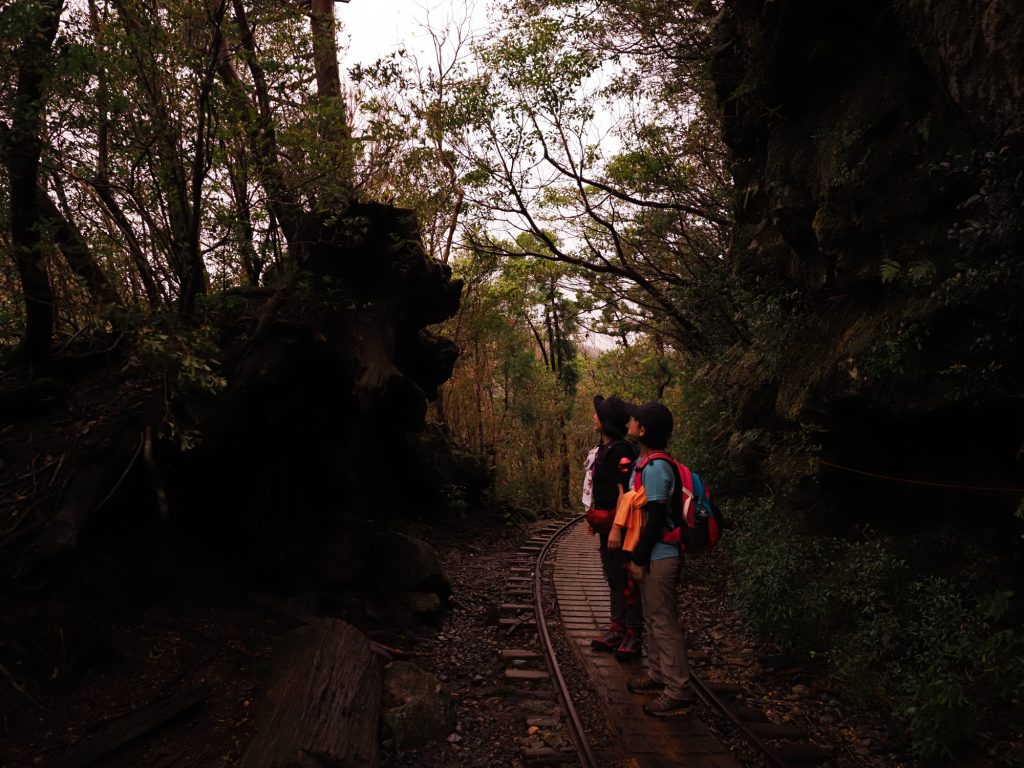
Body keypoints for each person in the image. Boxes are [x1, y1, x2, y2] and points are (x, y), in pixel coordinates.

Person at [622, 401, 692, 717]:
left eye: (634, 419)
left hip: (660, 556)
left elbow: (654, 519)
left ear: (644, 429)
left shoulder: (656, 468)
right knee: (652, 618)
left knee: (663, 622)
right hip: (654, 555)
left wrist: (637, 558)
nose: (630, 421)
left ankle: (677, 691)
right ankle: (657, 673)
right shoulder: (645, 461)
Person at [584, 395, 642, 661]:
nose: (594, 417)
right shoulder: (606, 448)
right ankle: (618, 626)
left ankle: (632, 631)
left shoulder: (621, 450)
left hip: (621, 524)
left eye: (598, 414)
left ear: (607, 423)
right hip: (608, 522)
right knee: (614, 575)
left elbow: (624, 493)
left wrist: (618, 527)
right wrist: (595, 521)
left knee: (625, 576)